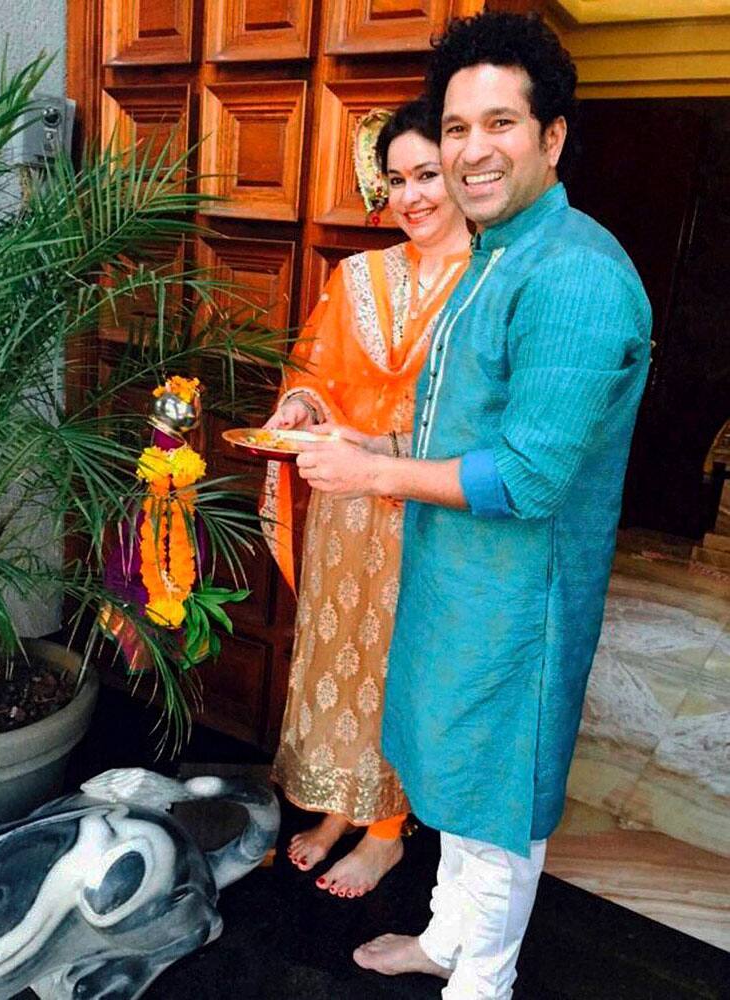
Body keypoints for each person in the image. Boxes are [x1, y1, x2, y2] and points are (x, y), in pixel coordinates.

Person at [294, 11, 652, 996]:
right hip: (456, 587)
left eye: (500, 123)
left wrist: (371, 477)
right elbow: (464, 430)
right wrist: (376, 444)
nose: (471, 151)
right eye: (456, 128)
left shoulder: (574, 273)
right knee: (455, 790)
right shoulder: (496, 254)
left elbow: (529, 477)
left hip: (517, 608)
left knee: (497, 809)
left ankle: (477, 980)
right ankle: (447, 938)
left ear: (551, 137)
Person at [261, 98, 471, 899]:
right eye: (396, 180)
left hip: (431, 508)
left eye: (427, 174)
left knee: (402, 669)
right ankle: (336, 808)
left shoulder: (489, 285)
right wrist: (302, 409)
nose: (411, 195)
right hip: (347, 510)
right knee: (335, 663)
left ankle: (385, 829)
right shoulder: (354, 276)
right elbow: (315, 371)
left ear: (460, 173)